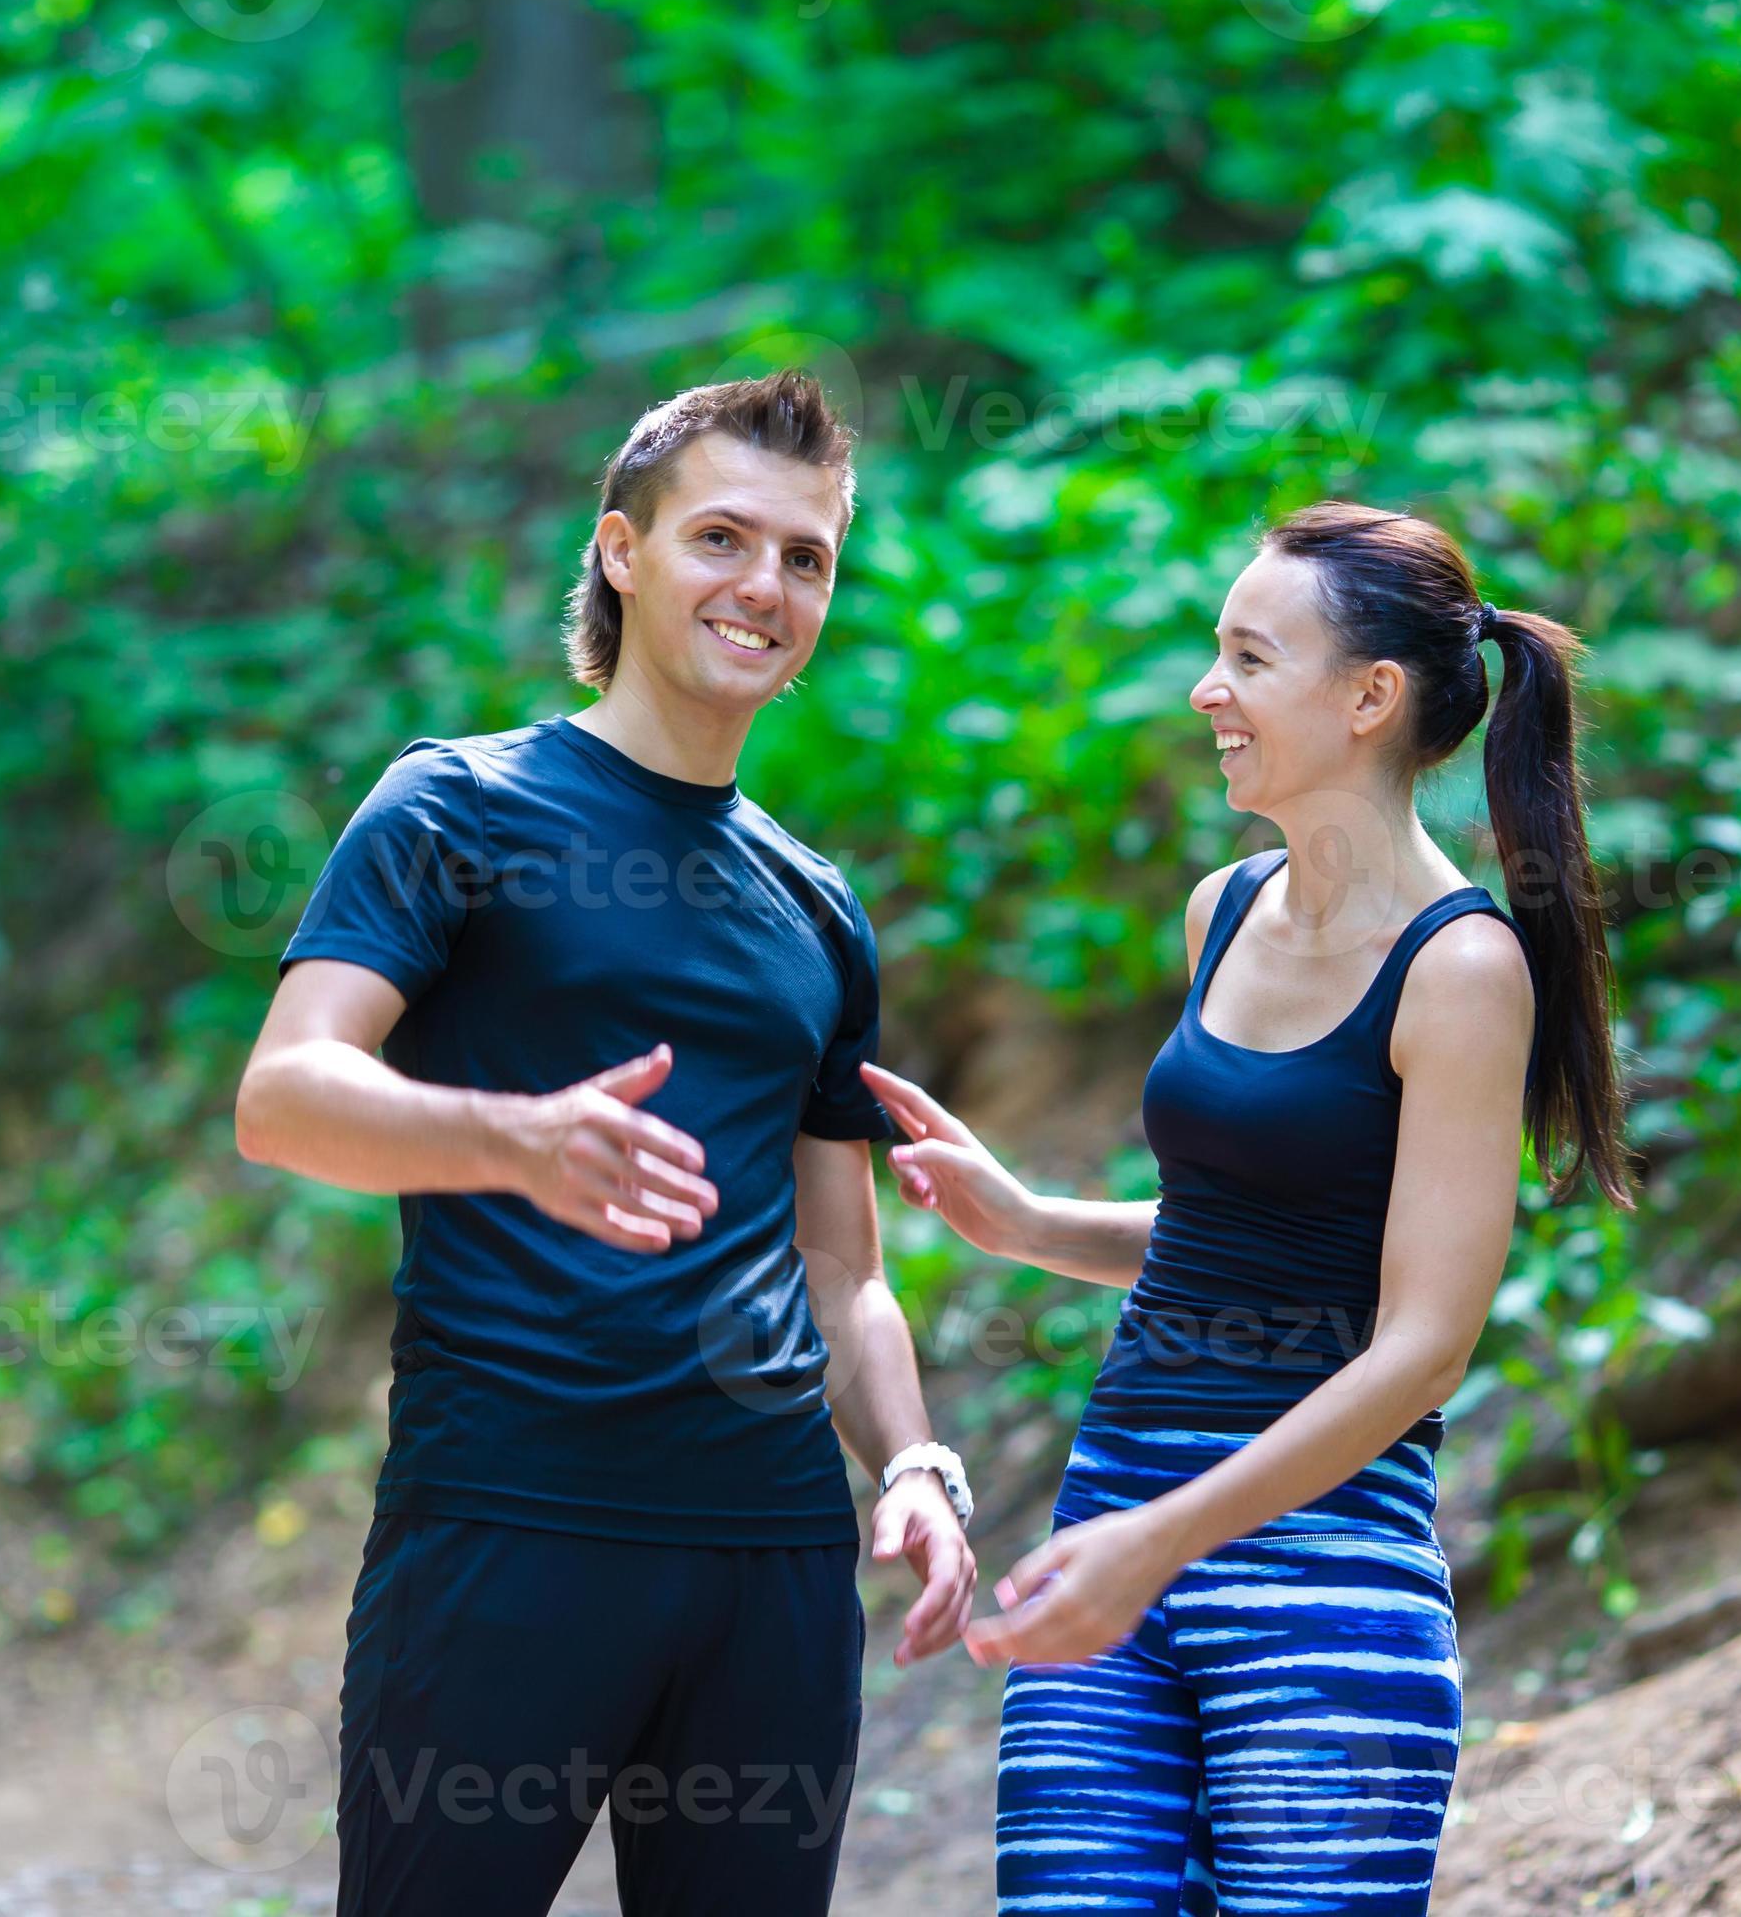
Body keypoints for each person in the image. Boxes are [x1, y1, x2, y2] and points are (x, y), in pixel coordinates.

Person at [235, 371, 978, 1917]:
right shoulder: (455, 808)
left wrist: (910, 1459)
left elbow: (842, 1269)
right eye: (722, 538)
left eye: (806, 557)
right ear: (623, 552)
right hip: (511, 1524)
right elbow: (286, 1094)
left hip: (772, 1556)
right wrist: (508, 1139)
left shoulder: (816, 902)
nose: (764, 586)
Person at [864, 501, 1632, 1915]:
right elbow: (1256, 1236)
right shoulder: (1221, 908)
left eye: (1248, 659)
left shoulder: (1462, 970)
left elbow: (1420, 1345)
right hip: (1114, 1525)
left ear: (1369, 698)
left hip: (1322, 1578)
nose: (1208, 692)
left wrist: (1167, 1541)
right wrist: (1030, 1220)